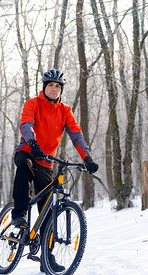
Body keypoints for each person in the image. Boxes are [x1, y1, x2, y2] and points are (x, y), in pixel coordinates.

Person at [11, 69, 98, 253]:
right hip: (27, 151)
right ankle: (19, 214)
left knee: (48, 208)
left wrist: (87, 158)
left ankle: (47, 258)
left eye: (57, 86)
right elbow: (26, 124)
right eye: (50, 85)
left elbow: (76, 136)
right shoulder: (32, 104)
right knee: (24, 167)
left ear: (61, 90)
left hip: (46, 161)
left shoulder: (65, 110)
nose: (53, 88)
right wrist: (32, 143)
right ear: (44, 87)